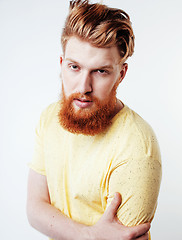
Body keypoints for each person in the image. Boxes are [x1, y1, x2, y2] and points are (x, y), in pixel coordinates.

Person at [27, 1, 162, 240]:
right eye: (74, 67)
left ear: (121, 74)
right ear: (62, 65)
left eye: (100, 71)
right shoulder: (49, 118)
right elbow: (35, 208)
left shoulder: (138, 148)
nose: (83, 87)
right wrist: (90, 235)